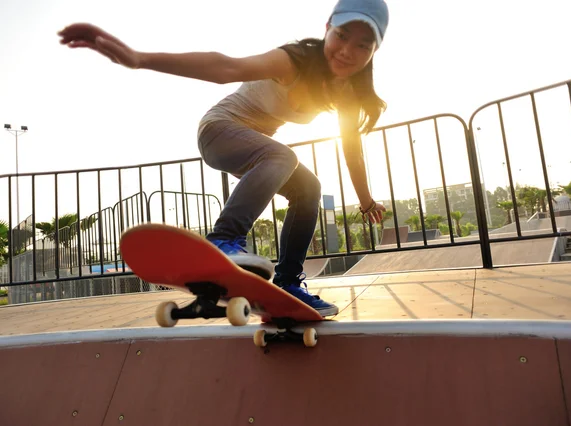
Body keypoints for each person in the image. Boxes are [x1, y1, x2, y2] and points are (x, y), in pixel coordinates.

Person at [58, 0, 389, 317]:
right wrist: (138, 58)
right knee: (283, 156)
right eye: (342, 36)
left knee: (308, 189)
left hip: (253, 145)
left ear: (375, 51)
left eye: (362, 45)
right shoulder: (294, 60)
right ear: (328, 28)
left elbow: (351, 147)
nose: (346, 51)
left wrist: (366, 201)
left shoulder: (348, 94)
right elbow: (225, 67)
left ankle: (289, 281)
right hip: (218, 130)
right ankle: (225, 239)